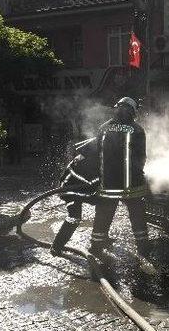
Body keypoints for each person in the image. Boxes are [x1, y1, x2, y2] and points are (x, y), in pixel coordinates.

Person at [89, 97, 150, 262]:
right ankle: (143, 249)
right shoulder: (137, 130)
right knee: (138, 217)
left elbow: (96, 155)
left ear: (116, 109)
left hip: (108, 183)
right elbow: (141, 158)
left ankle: (96, 247)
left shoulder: (103, 128)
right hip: (132, 184)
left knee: (103, 216)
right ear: (132, 112)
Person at [50, 137, 100, 256]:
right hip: (69, 190)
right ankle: (56, 246)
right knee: (74, 217)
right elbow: (89, 181)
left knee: (104, 206)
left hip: (84, 189)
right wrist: (91, 196)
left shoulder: (96, 157)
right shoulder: (85, 160)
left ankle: (100, 239)